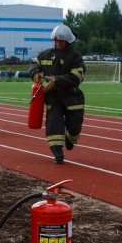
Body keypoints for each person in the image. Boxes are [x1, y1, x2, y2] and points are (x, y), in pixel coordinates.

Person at [28, 25, 85, 165]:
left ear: (68, 41)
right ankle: (58, 153)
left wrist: (57, 81)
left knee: (75, 127)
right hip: (53, 98)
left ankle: (71, 138)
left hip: (72, 97)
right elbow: (34, 64)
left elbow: (77, 77)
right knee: (54, 124)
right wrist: (36, 74)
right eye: (56, 40)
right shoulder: (47, 54)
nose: (58, 43)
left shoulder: (75, 56)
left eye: (61, 41)